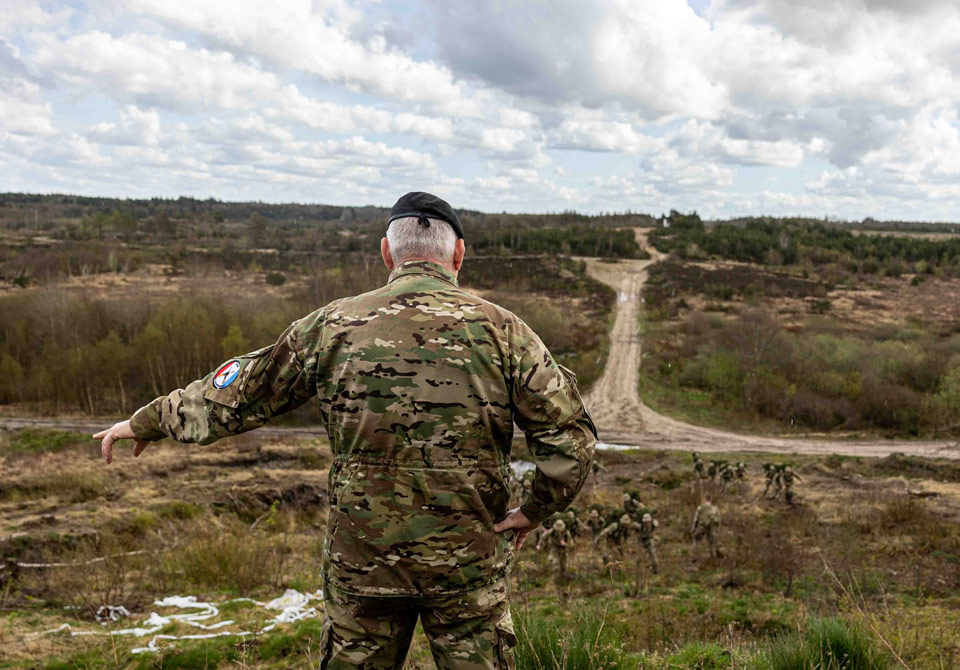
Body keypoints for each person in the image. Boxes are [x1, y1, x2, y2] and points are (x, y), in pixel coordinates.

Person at [93, 192, 597, 670]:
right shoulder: (505, 331)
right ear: (459, 254)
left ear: (386, 253)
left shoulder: (331, 326)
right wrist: (533, 511)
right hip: (468, 565)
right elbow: (569, 441)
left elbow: (238, 394)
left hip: (363, 563)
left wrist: (146, 421)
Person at [535, 518, 571, 584]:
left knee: (564, 565)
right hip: (554, 548)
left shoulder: (567, 533)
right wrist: (539, 545)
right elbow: (543, 537)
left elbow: (571, 543)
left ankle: (564, 579)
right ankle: (556, 580)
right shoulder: (552, 531)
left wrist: (566, 544)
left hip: (564, 549)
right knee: (555, 563)